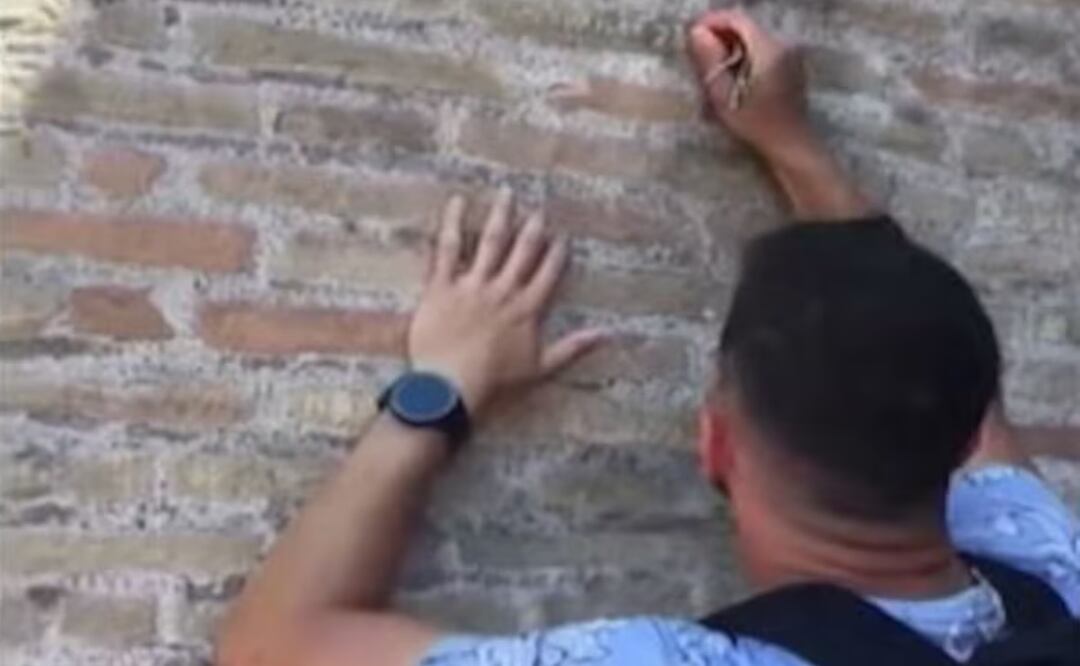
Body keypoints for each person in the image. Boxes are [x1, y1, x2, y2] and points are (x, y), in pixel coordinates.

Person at [215, 9, 1080, 666]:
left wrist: (439, 391)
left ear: (715, 446)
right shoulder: (1053, 581)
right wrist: (794, 146)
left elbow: (275, 648)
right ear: (964, 435)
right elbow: (931, 348)